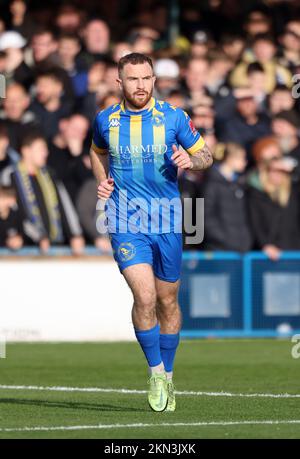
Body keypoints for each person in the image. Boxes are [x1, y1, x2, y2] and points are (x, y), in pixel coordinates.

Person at [90, 52, 213, 412]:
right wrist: (104, 182)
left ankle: (170, 377)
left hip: (169, 221)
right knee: (144, 298)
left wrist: (193, 160)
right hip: (125, 221)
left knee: (167, 301)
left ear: (154, 80)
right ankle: (155, 372)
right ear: (120, 82)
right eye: (133, 79)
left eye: (146, 78)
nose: (141, 85)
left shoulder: (174, 117)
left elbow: (207, 155)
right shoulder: (105, 120)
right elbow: (96, 153)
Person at [3, 131, 84, 254]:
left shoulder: (50, 175)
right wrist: (38, 236)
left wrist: (75, 234)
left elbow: (65, 207)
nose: (46, 153)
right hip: (23, 248)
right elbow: (12, 212)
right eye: (41, 148)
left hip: (54, 246)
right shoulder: (9, 176)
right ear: (26, 151)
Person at [247, 136, 300, 260]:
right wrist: (265, 245)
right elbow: (255, 223)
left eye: (281, 171)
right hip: (269, 257)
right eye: (273, 170)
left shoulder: (292, 192)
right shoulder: (257, 193)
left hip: (294, 254)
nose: (277, 174)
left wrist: (294, 169)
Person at [203, 143, 253, 252]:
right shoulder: (211, 183)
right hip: (219, 249)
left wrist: (245, 241)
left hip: (241, 249)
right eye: (242, 158)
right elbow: (206, 216)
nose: (245, 162)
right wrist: (223, 240)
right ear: (230, 159)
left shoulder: (240, 184)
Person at [0, 185, 23, 250]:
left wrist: (19, 239)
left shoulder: (18, 215)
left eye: (2, 198)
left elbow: (28, 234)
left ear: (12, 200)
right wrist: (6, 242)